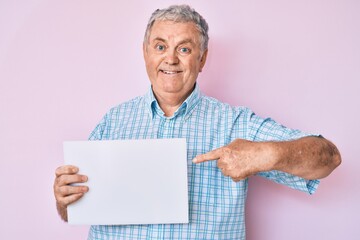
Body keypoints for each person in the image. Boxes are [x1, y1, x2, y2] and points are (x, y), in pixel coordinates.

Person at [53, 4, 341, 240]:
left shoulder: (235, 124)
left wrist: (264, 154)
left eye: (184, 49)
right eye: (160, 46)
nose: (171, 59)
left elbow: (328, 157)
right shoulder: (112, 122)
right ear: (145, 53)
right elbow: (73, 211)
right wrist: (63, 199)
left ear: (202, 60)